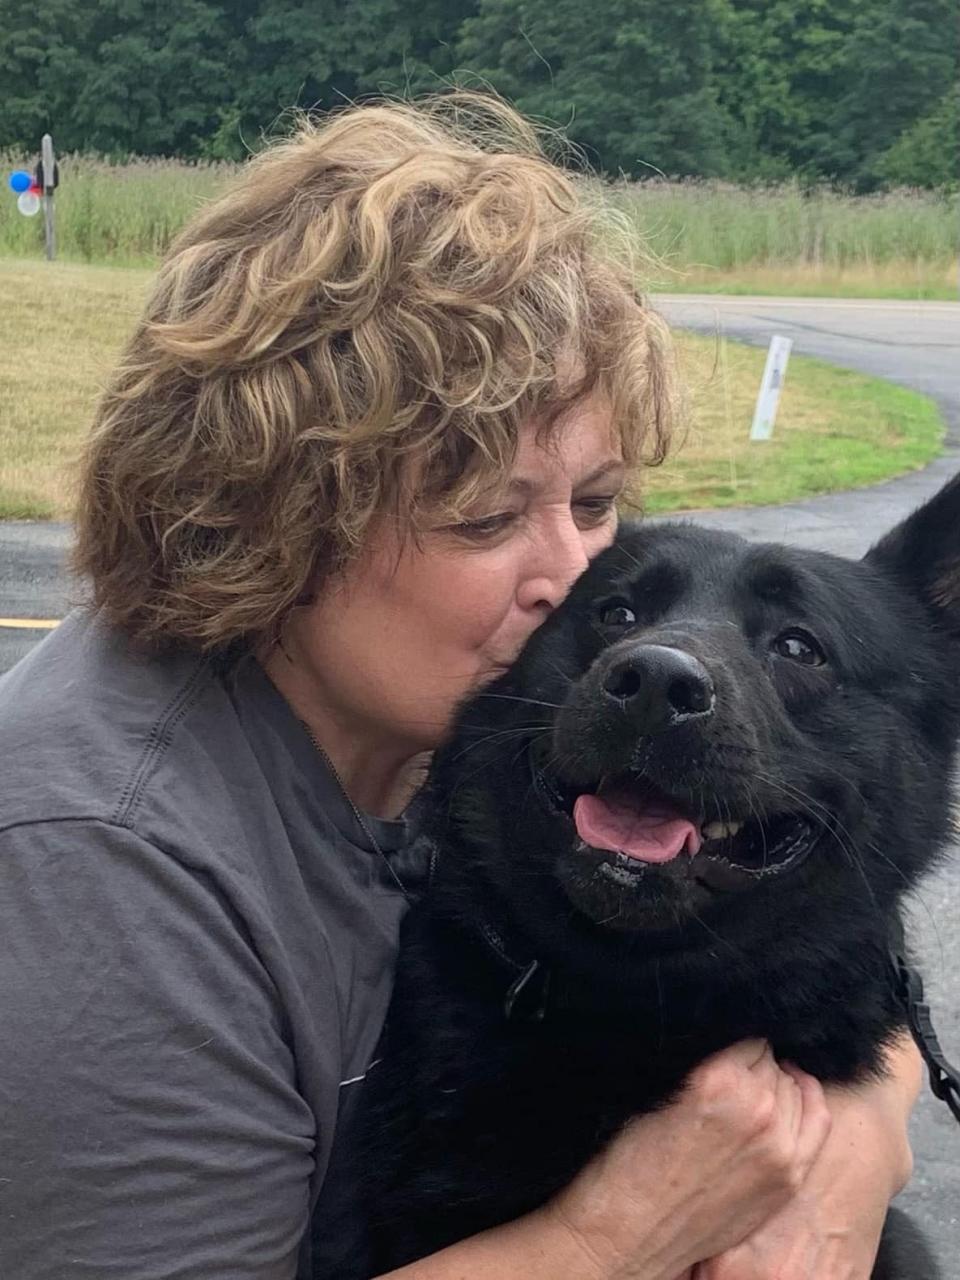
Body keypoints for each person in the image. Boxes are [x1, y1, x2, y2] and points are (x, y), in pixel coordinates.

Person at [0, 93, 921, 1280]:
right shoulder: (98, 862)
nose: (580, 576)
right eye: (487, 513)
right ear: (271, 516)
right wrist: (621, 1233)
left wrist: (854, 1134)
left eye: (595, 502)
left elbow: (839, 921)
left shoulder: (452, 706)